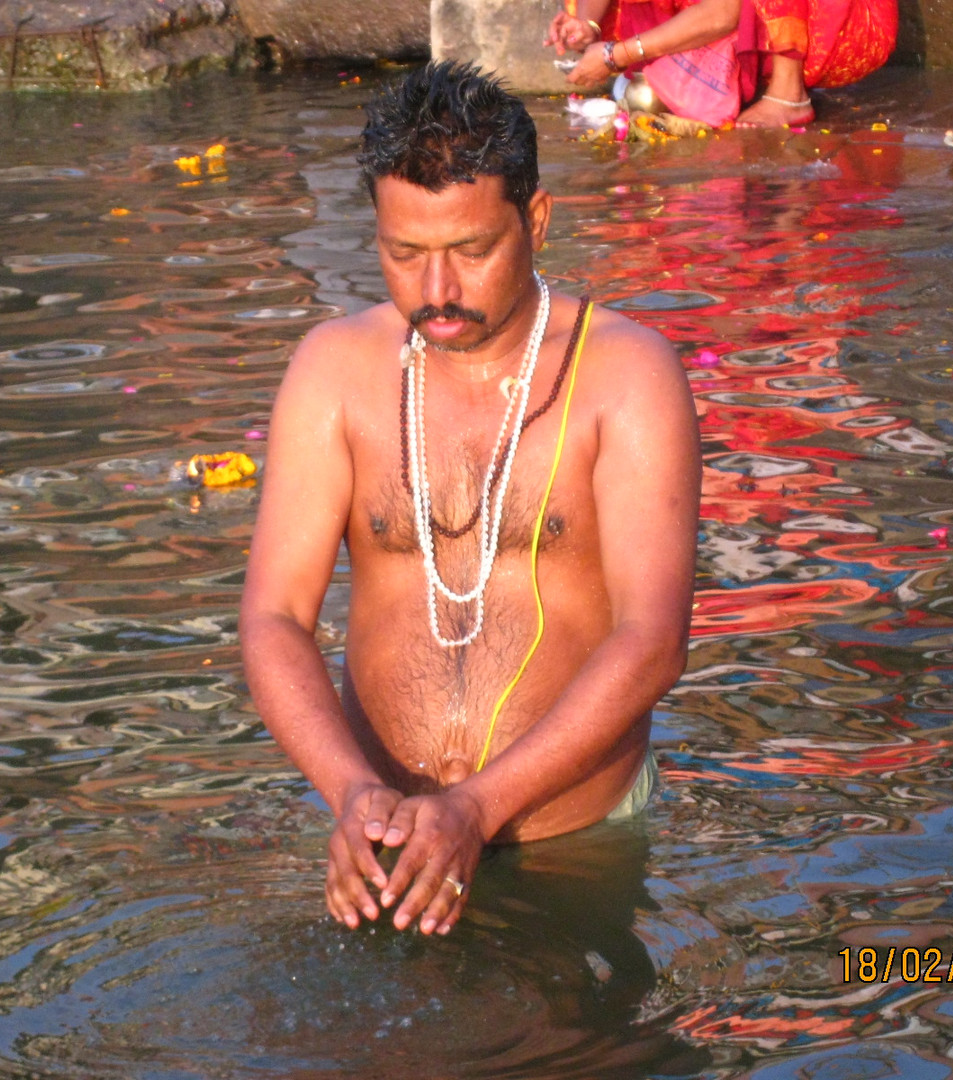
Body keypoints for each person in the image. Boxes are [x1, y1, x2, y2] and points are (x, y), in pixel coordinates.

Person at [239, 61, 700, 937]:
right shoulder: (333, 371)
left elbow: (652, 642)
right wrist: (353, 794)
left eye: (471, 251)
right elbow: (274, 617)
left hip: (573, 843)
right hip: (377, 838)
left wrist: (476, 808)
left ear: (535, 219)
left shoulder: (627, 376)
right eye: (404, 255)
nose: (437, 292)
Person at [547, 0, 898, 129]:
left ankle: (788, 95)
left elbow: (723, 13)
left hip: (841, 27)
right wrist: (589, 25)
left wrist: (615, 55)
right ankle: (744, 76)